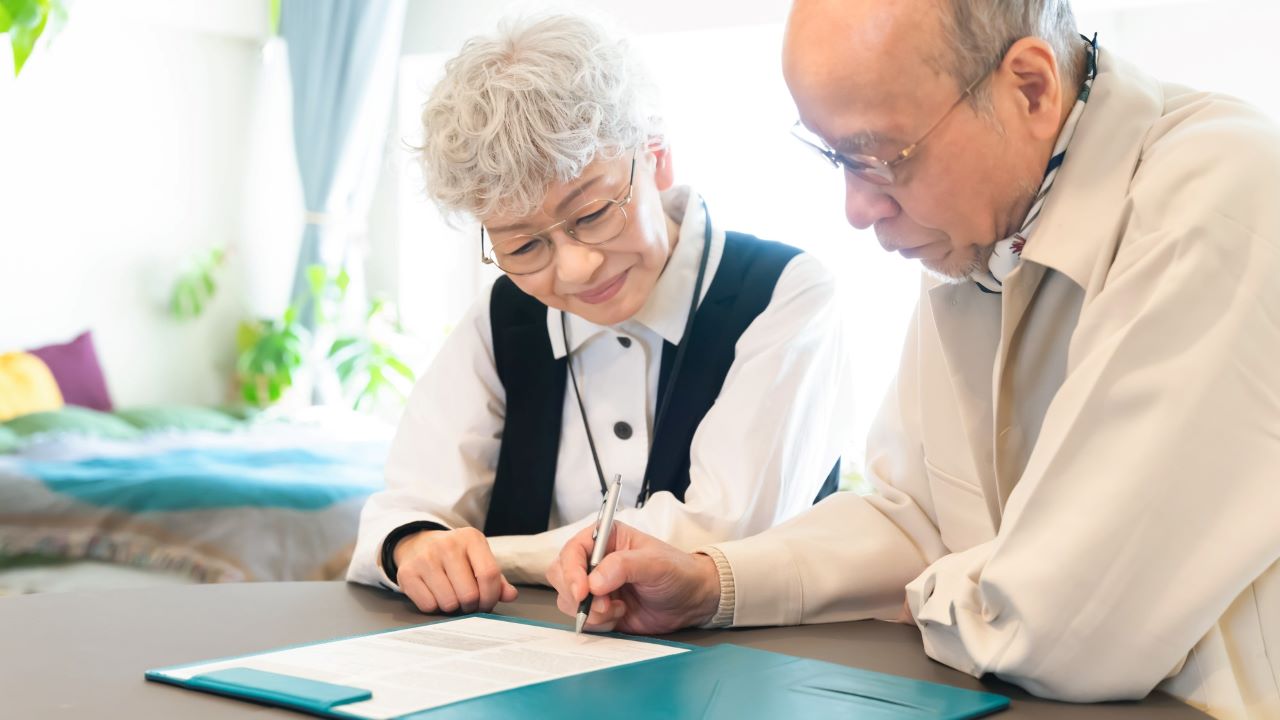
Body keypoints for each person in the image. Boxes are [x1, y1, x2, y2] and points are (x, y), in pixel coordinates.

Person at [546, 1, 1280, 717]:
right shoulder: (983, 232)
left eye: (880, 159)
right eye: (834, 157)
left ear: (1030, 87)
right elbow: (917, 518)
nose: (856, 209)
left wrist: (941, 587)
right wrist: (711, 583)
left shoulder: (1219, 193)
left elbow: (1067, 628)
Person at [347, 13, 854, 619]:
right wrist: (417, 544)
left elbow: (721, 535)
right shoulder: (504, 315)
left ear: (657, 158)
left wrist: (493, 556)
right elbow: (409, 502)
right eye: (524, 246)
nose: (577, 267)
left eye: (591, 214)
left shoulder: (784, 295)